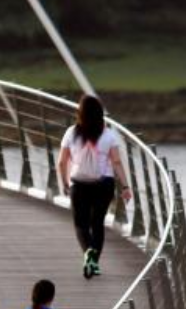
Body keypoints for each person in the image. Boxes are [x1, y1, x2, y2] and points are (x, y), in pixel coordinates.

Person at [56, 95, 133, 279]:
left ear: (79, 113)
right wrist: (125, 186)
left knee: (81, 225)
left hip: (79, 185)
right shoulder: (109, 134)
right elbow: (116, 162)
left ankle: (88, 253)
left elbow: (61, 162)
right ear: (100, 113)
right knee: (97, 223)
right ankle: (94, 263)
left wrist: (66, 183)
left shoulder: (71, 133)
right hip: (103, 184)